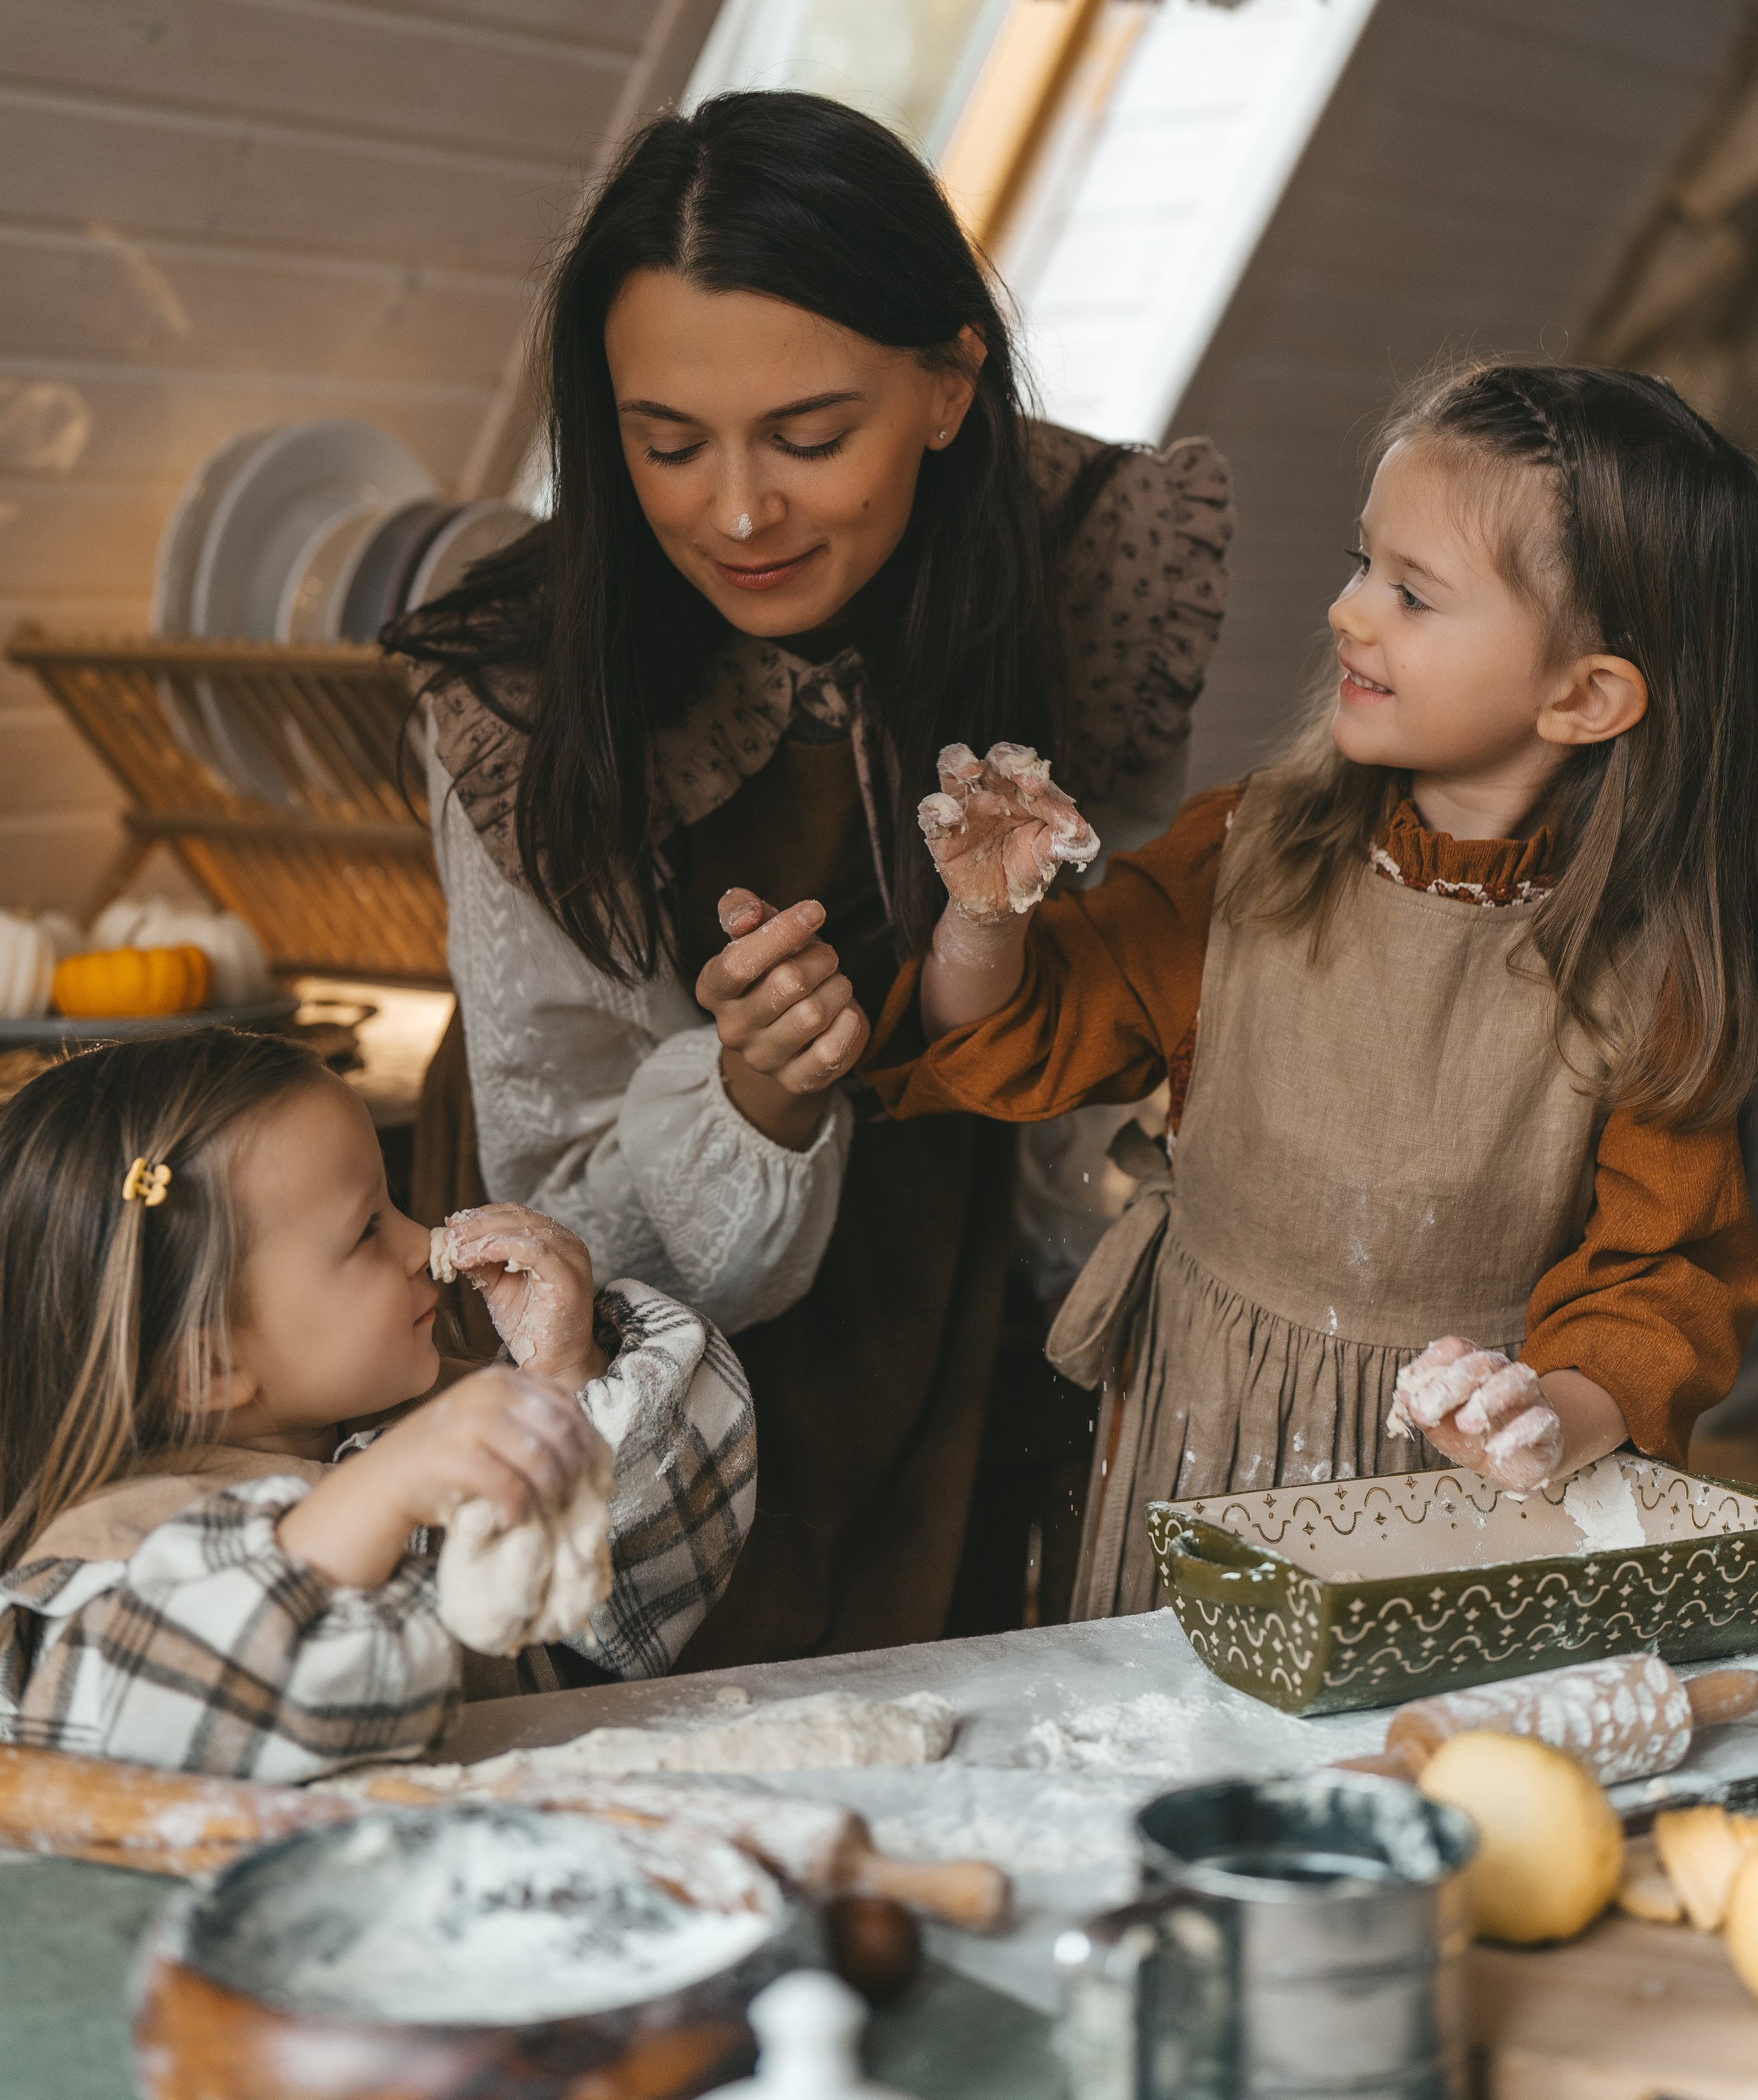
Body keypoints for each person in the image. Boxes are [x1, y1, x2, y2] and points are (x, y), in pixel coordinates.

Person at [393, 89, 1231, 1658]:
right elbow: (567, 1217)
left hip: (945, 1295)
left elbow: (1101, 1052)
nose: (736, 511)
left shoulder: (1088, 575)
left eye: (808, 435)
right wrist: (745, 1102)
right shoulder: (518, 681)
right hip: (606, 1317)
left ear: (943, 383)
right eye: (664, 442)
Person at [858, 363, 1758, 1618]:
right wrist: (984, 910)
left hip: (1446, 1517)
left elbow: (1663, 1290)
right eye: (1359, 564)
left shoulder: (1652, 980)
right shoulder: (1249, 859)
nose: (1347, 613)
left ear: (1584, 696)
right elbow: (1007, 1038)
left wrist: (1546, 1415)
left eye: (1411, 594)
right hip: (1193, 1444)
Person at [0, 1030, 754, 1776]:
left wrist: (564, 1376)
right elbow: (141, 1710)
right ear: (210, 1364)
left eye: (392, 1202)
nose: (420, 1237)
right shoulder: (114, 1544)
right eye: (366, 1229)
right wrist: (375, 1498)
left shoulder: (426, 1416)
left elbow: (644, 1595)